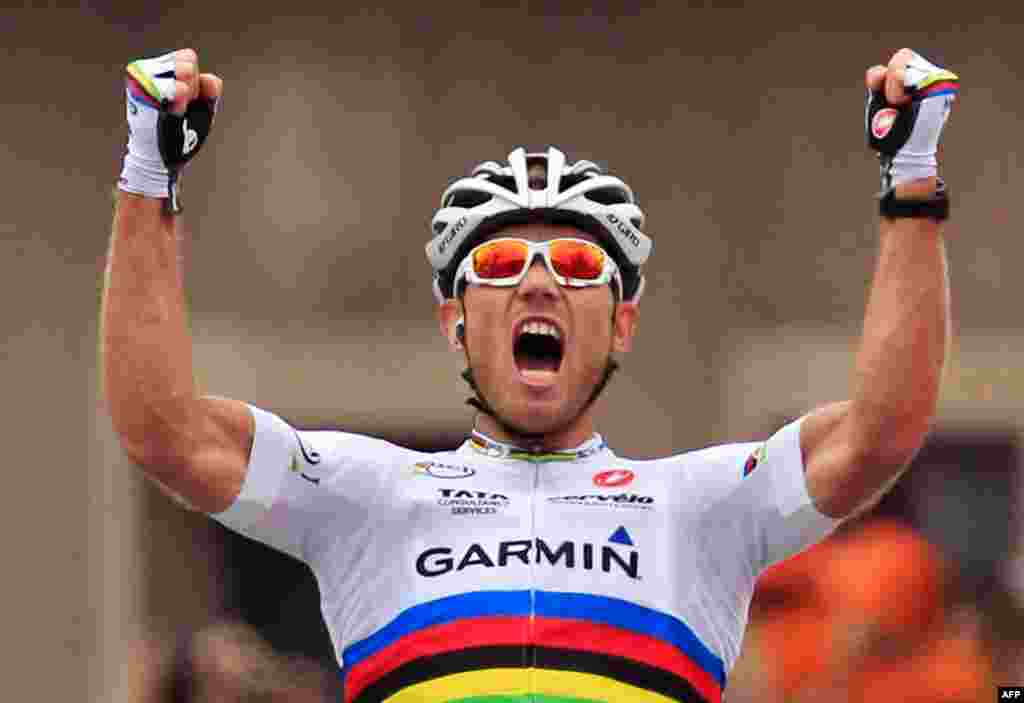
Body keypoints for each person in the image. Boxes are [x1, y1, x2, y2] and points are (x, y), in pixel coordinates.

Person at [101, 47, 959, 703]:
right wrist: (149, 171)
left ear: (623, 321)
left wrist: (912, 182)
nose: (540, 281)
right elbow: (162, 428)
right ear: (455, 322)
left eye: (580, 264)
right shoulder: (368, 495)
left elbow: (879, 431)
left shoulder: (699, 507)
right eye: (503, 260)